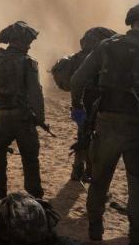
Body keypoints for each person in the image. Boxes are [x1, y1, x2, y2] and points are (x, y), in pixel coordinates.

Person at [70, 3, 139, 245]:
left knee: (99, 179)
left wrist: (78, 108)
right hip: (137, 130)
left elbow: (78, 79)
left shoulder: (107, 46)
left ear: (132, 21)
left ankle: (95, 229)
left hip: (105, 125)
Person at [0, 21, 46, 200]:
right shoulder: (29, 63)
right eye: (27, 42)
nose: (29, 46)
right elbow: (36, 93)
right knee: (30, 162)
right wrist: (40, 118)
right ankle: (36, 202)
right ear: (18, 41)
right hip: (23, 120)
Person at [50, 26, 117, 181]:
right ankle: (90, 172)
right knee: (96, 139)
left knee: (83, 135)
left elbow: (75, 82)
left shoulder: (79, 58)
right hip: (98, 103)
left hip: (81, 103)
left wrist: (76, 105)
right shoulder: (101, 58)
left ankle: (77, 169)